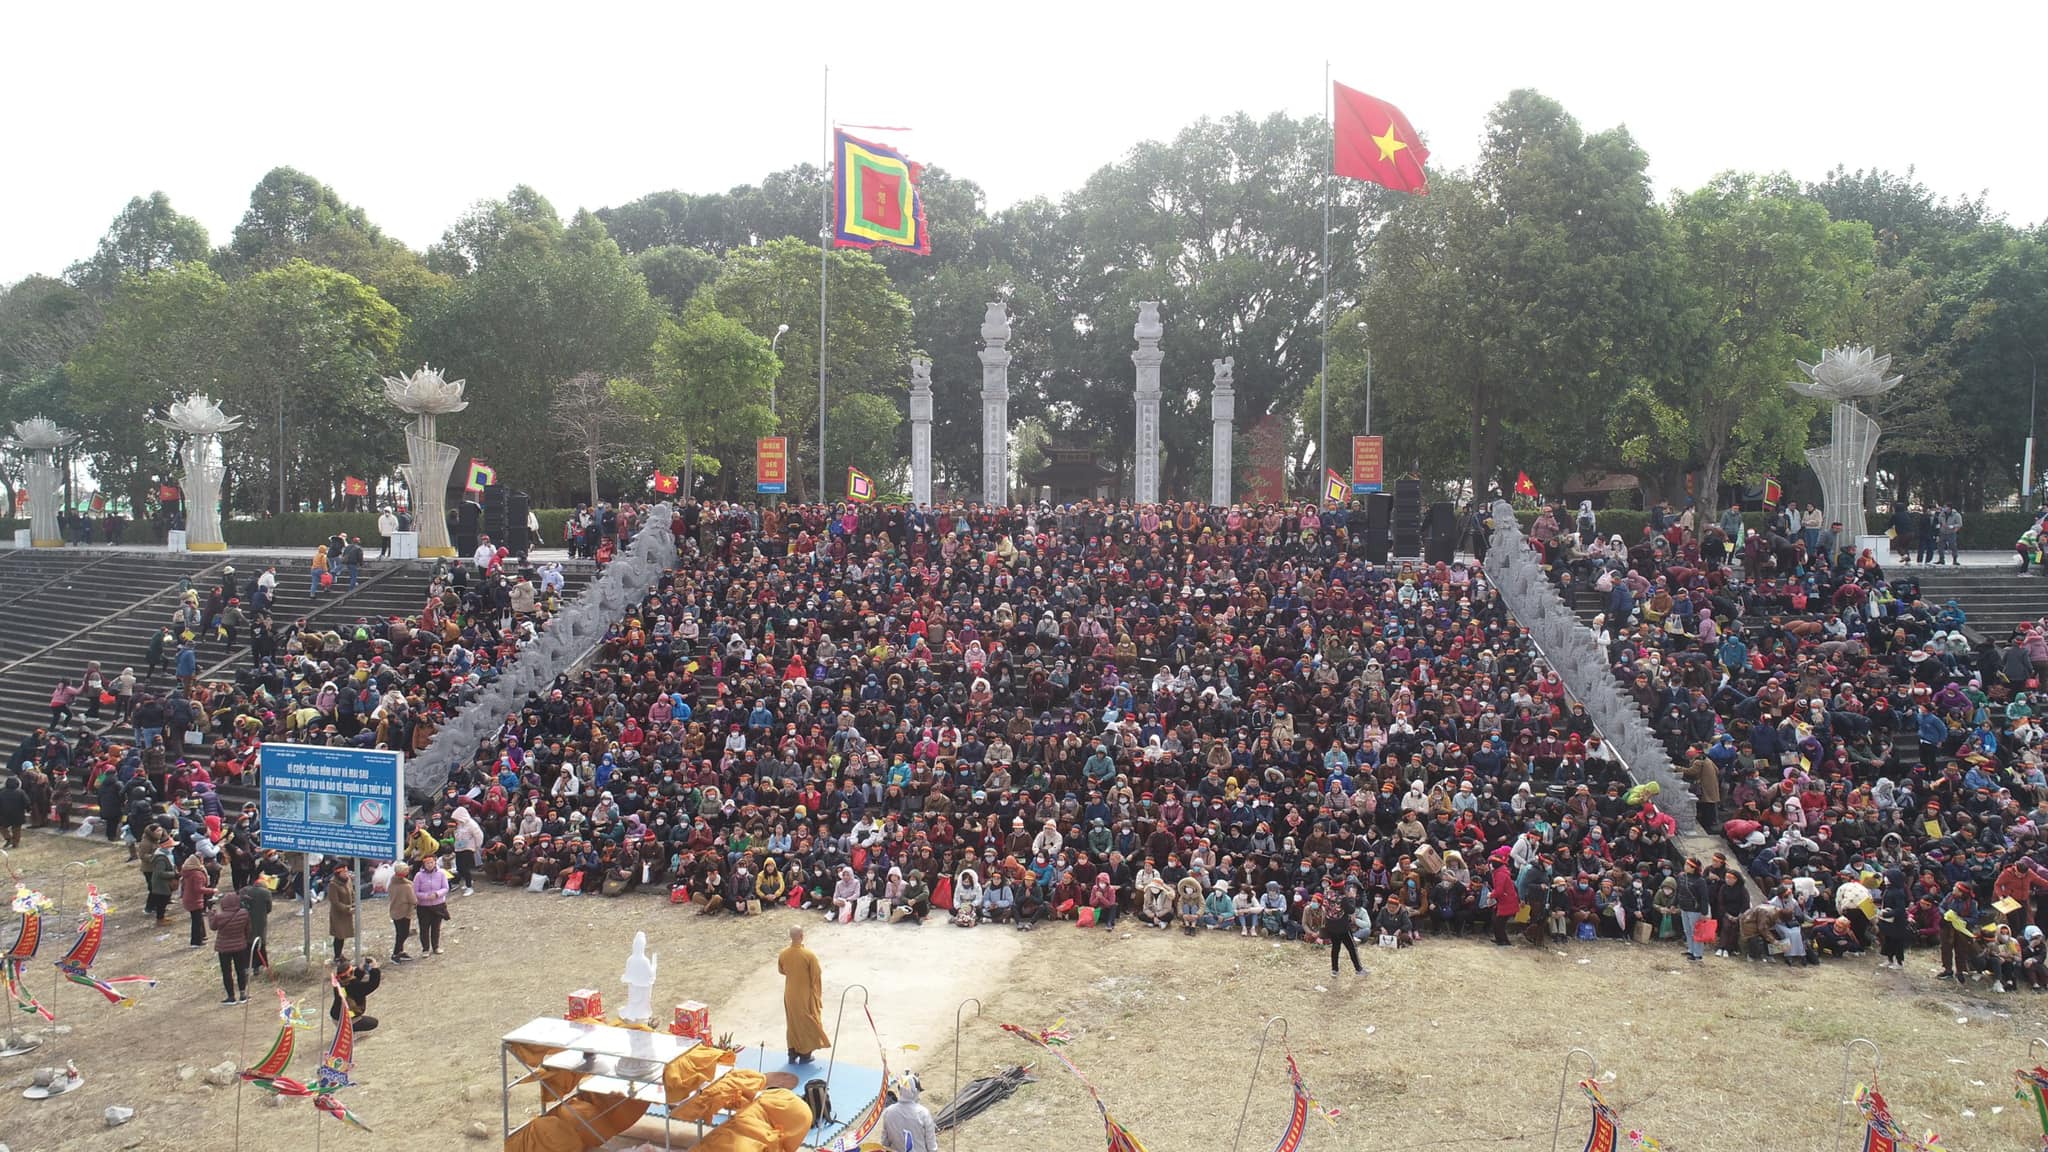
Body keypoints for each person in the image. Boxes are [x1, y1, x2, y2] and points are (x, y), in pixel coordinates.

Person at [778, 926, 830, 1064]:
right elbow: (816, 975)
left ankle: (792, 1052)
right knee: (808, 1022)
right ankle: (805, 1054)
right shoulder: (808, 955)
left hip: (790, 993)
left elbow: (782, 971)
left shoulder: (783, 953)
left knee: (792, 1022)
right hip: (804, 994)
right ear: (802, 936)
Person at [209, 890, 252, 1005]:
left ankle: (231, 997)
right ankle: (243, 994)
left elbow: (213, 927)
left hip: (224, 948)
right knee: (241, 970)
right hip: (240, 946)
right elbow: (248, 929)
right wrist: (244, 939)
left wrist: (211, 914)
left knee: (226, 972)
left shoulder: (219, 916)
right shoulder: (244, 913)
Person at [879, 1071, 940, 1152]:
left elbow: (884, 1143)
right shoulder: (923, 1113)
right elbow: (932, 1147)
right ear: (915, 1091)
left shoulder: (888, 1112)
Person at [331, 957, 381, 1033]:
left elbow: (352, 979)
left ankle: (346, 1026)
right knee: (373, 1023)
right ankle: (351, 1030)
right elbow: (373, 984)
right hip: (347, 1020)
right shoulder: (355, 986)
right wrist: (375, 968)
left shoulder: (338, 983)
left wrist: (360, 970)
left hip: (336, 1017)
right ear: (349, 973)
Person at [414, 854, 450, 956]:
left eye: (431, 862)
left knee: (436, 927)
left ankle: (436, 947)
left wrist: (437, 894)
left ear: (435, 863)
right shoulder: (418, 876)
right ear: (424, 864)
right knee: (424, 928)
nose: (430, 865)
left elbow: (445, 888)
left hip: (438, 904)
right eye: (427, 863)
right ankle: (425, 949)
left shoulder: (441, 873)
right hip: (423, 906)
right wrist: (426, 896)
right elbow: (415, 891)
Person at [179, 853, 215, 947]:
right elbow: (198, 889)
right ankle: (196, 941)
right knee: (197, 921)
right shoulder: (197, 874)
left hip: (189, 898)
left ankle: (202, 936)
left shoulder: (188, 871)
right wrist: (212, 890)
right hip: (195, 900)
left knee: (198, 919)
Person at [1329, 894, 1366, 977]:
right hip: (1343, 927)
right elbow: (1351, 910)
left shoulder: (1328, 894)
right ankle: (1358, 969)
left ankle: (1334, 970)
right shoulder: (1343, 898)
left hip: (1331, 926)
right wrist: (1352, 898)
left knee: (1335, 948)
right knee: (1352, 948)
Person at [388, 862, 417, 962]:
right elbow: (413, 900)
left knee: (399, 932)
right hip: (404, 913)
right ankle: (396, 953)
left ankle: (400, 951)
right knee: (403, 933)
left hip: (394, 911)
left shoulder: (392, 883)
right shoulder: (407, 887)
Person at [327, 864, 356, 962]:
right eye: (344, 872)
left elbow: (352, 893)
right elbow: (335, 902)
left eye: (347, 871)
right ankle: (337, 956)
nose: (346, 873)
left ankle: (340, 954)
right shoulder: (333, 884)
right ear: (338, 873)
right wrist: (347, 908)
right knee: (339, 936)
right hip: (338, 915)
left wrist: (354, 904)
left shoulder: (348, 881)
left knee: (343, 936)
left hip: (347, 913)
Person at [0, 777, 26, 849]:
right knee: (16, 829)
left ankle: (8, 838)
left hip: (5, 814)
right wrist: (28, 808)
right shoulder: (21, 792)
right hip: (18, 814)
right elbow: (26, 802)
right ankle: (15, 843)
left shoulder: (2, 793)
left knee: (2, 827)